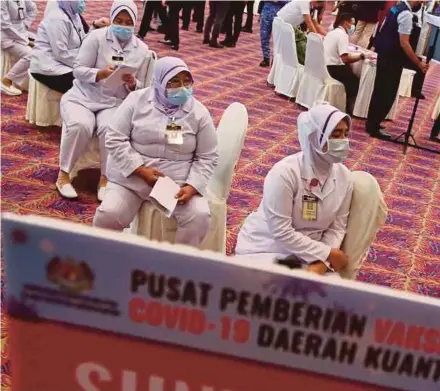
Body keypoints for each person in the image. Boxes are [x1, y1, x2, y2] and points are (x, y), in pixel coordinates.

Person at [93, 57, 219, 247]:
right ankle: (102, 263)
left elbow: (208, 156)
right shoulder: (137, 100)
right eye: (174, 81)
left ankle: (176, 267)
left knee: (199, 217)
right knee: (108, 215)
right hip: (132, 179)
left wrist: (192, 186)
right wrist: (140, 170)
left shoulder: (199, 113)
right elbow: (115, 137)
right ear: (159, 81)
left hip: (175, 184)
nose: (182, 88)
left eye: (187, 81)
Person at [235, 104, 356, 276]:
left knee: (329, 296)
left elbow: (337, 228)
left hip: (312, 255)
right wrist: (327, 254)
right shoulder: (285, 173)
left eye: (346, 134)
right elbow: (281, 232)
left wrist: (321, 263)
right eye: (336, 135)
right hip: (268, 248)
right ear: (315, 137)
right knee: (280, 291)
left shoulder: (345, 177)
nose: (343, 142)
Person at [56, 0, 152, 201]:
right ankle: (63, 175)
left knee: (111, 130)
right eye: (118, 20)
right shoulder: (96, 38)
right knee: (80, 125)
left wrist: (133, 83)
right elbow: (78, 70)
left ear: (134, 23)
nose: (123, 26)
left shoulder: (141, 49)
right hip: (82, 97)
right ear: (112, 18)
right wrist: (98, 74)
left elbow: (145, 88)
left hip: (113, 101)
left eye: (128, 22)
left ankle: (105, 178)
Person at [366, 0, 429, 139]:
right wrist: (418, 64)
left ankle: (372, 123)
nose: (422, 3)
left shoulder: (396, 8)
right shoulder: (406, 14)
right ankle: (374, 126)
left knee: (379, 90)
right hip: (393, 58)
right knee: (387, 93)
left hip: (384, 54)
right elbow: (404, 43)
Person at [30, 0, 87, 94]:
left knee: (92, 78)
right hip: (49, 67)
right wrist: (85, 63)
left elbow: (82, 39)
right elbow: (61, 54)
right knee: (85, 85)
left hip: (66, 62)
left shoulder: (73, 14)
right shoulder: (58, 18)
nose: (84, 2)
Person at [324, 13, 373, 116]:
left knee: (350, 71)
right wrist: (362, 56)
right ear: (346, 22)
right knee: (355, 82)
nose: (353, 26)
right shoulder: (342, 35)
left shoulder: (332, 32)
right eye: (352, 23)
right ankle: (349, 108)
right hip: (333, 68)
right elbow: (345, 58)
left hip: (325, 65)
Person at [1, 0, 37, 96]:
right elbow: (5, 25)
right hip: (6, 36)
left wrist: (25, 24)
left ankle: (24, 83)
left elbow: (33, 9)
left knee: (40, 45)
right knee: (30, 55)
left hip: (21, 33)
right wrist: (25, 41)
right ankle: (7, 80)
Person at [274, 0, 326, 66]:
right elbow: (309, 22)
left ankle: (286, 65)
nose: (318, 6)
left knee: (290, 47)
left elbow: (316, 24)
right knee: (280, 48)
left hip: (290, 26)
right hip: (281, 23)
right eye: (319, 4)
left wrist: (328, 35)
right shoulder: (304, 2)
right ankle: (277, 66)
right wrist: (318, 38)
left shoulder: (313, 7)